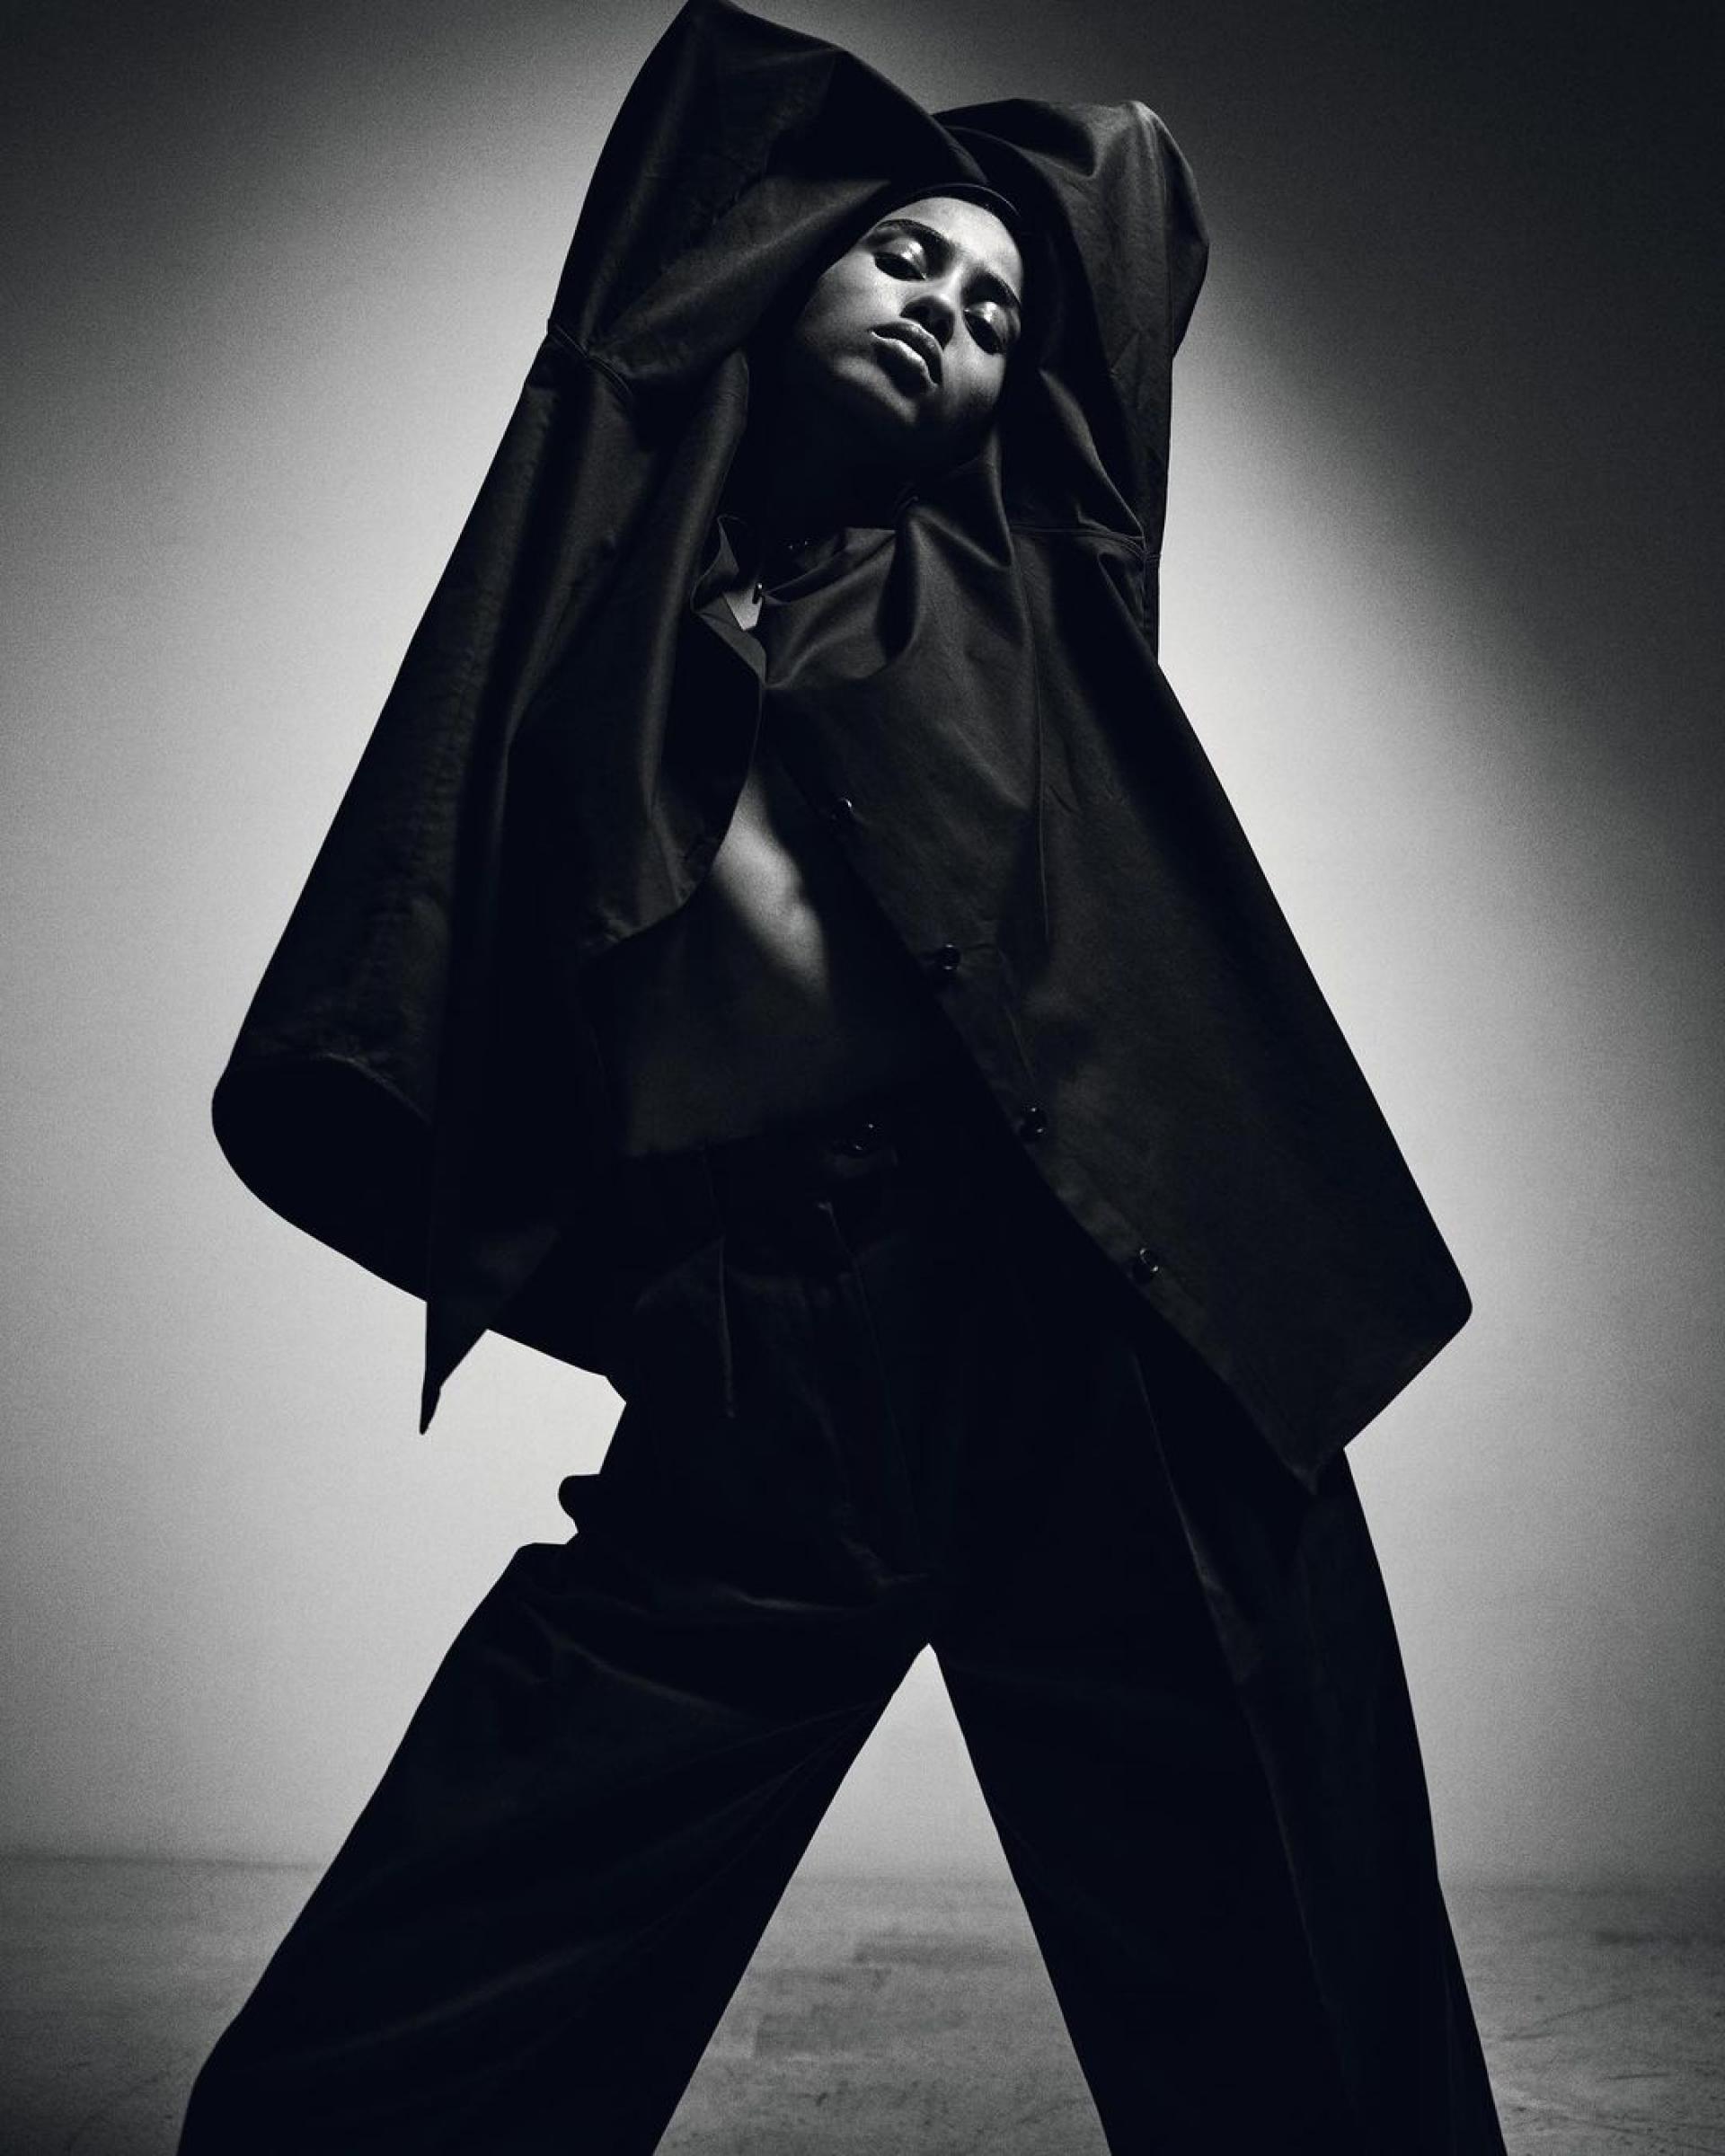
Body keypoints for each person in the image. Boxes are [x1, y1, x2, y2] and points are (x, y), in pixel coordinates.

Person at [179, 3, 1508, 2150]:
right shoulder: (592, 588)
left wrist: (995, 218)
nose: (948, 316)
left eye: (992, 315)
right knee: (470, 1930)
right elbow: (674, 191)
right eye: (901, 257)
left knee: (1285, 1953)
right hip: (774, 1331)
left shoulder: (1034, 569)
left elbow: (1123, 195)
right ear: (776, 258)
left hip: (1096, 1315)